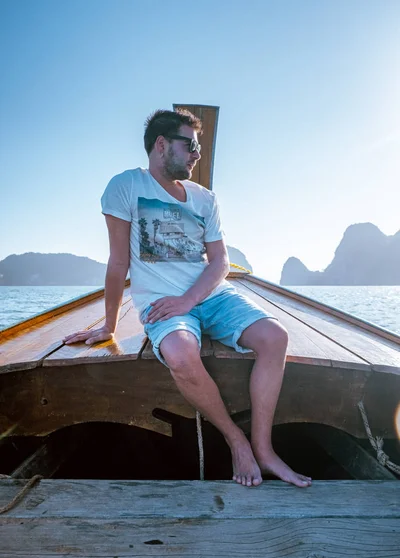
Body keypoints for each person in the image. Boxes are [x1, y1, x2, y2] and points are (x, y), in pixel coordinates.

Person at [63, 108, 312, 488]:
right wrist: (109, 326)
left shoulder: (204, 199)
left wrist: (191, 299)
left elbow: (221, 262)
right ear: (161, 145)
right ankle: (236, 440)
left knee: (275, 337)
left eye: (198, 147)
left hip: (211, 295)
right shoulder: (126, 186)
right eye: (189, 145)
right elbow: (118, 262)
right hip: (162, 302)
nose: (196, 154)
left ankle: (264, 448)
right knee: (180, 353)